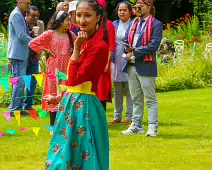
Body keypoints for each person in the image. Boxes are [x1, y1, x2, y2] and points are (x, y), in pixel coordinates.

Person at [42, 0, 110, 169]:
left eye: (88, 15)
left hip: (84, 107)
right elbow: (73, 84)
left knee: (84, 153)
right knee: (64, 151)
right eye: (78, 15)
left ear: (98, 18)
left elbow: (73, 79)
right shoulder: (84, 40)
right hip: (70, 103)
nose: (82, 20)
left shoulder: (99, 47)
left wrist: (76, 48)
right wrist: (60, 97)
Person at [121, 0, 163, 136]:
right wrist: (126, 49)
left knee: (150, 99)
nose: (137, 9)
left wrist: (134, 53)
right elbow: (127, 40)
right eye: (136, 6)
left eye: (140, 6)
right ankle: (136, 126)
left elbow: (154, 45)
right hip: (131, 66)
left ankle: (152, 127)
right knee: (136, 99)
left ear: (149, 7)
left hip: (146, 65)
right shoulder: (134, 23)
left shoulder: (156, 24)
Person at [29, 11, 76, 128]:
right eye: (68, 20)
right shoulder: (49, 34)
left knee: (65, 93)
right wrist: (46, 49)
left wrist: (73, 51)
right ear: (60, 21)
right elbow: (32, 43)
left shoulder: (70, 35)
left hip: (66, 69)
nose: (70, 22)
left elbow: (80, 45)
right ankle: (53, 125)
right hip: (53, 69)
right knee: (53, 93)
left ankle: (65, 124)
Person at [7, 0, 33, 116]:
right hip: (17, 54)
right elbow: (21, 35)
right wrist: (36, 42)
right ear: (19, 2)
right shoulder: (17, 14)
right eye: (26, 3)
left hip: (20, 53)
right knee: (19, 82)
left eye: (29, 3)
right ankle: (14, 109)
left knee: (19, 82)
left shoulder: (20, 14)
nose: (28, 5)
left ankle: (16, 108)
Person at [110, 1, 133, 125]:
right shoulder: (114, 24)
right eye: (120, 10)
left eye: (125, 10)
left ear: (130, 12)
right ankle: (117, 116)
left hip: (129, 60)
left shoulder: (134, 24)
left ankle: (129, 117)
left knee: (130, 89)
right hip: (116, 60)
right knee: (117, 90)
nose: (122, 12)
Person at [23, 5, 44, 110]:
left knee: (33, 81)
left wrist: (40, 36)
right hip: (23, 56)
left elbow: (43, 40)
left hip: (34, 57)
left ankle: (28, 105)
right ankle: (17, 104)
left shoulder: (40, 24)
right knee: (20, 81)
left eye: (37, 16)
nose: (35, 18)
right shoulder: (22, 24)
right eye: (33, 16)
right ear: (26, 15)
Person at [96, 13, 116, 112]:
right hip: (91, 61)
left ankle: (100, 119)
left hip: (103, 61)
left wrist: (107, 62)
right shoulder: (90, 23)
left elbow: (111, 46)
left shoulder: (108, 24)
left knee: (101, 91)